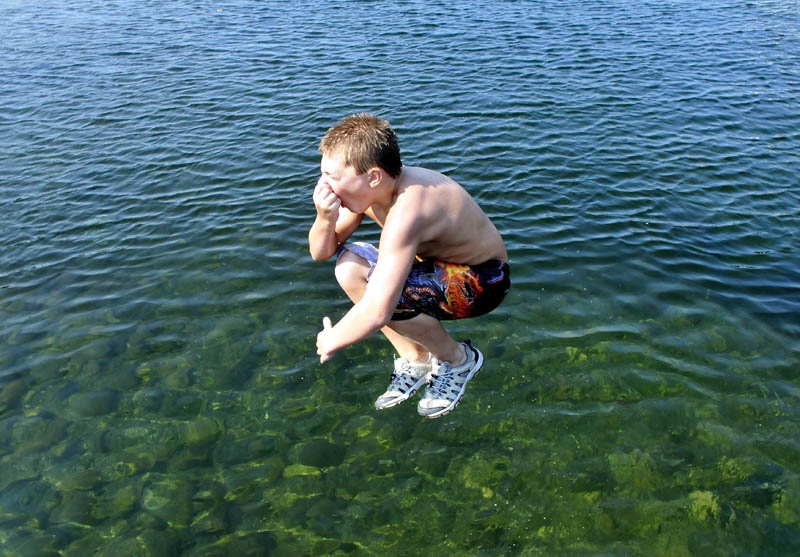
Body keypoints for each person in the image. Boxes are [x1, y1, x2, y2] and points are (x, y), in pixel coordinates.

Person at [309, 113, 510, 418]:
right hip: (433, 267)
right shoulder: (373, 192)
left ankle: (459, 360)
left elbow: (378, 310)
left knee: (387, 294)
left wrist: (333, 338)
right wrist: (325, 218)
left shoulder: (409, 208)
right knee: (348, 266)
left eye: (333, 177)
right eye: (323, 173)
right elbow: (321, 252)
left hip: (483, 281)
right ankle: (415, 357)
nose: (326, 185)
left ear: (373, 176)